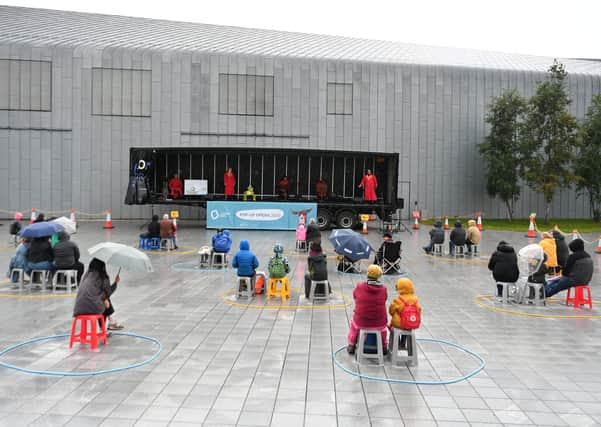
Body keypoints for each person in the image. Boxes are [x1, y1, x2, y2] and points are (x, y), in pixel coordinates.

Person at [347, 265, 388, 355]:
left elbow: (355, 296)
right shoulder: (383, 289)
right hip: (379, 322)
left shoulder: (360, 286)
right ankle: (384, 346)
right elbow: (385, 299)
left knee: (354, 325)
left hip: (362, 322)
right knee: (384, 329)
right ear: (379, 276)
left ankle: (352, 344)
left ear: (367, 274)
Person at [73, 258, 124, 331]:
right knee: (105, 300)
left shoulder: (86, 275)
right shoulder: (103, 276)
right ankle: (104, 327)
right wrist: (116, 283)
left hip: (78, 308)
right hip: (92, 308)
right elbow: (108, 292)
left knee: (103, 298)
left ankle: (109, 322)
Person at [389, 278, 422, 348]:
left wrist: (394, 315)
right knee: (407, 327)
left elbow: (391, 310)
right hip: (411, 322)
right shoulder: (415, 299)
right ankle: (403, 342)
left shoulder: (398, 300)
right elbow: (419, 309)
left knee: (392, 325)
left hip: (400, 324)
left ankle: (397, 342)